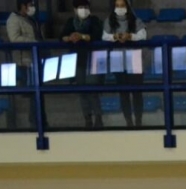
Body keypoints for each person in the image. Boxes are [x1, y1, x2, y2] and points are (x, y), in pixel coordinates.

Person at [60, 0, 104, 129]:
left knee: (92, 91)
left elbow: (97, 35)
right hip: (77, 61)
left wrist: (83, 37)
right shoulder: (70, 22)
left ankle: (98, 117)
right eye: (80, 7)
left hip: (92, 60)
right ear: (75, 9)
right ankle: (87, 118)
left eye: (85, 7)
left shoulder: (95, 20)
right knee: (82, 91)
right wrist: (69, 37)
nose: (83, 9)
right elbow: (62, 36)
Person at [103, 0, 147, 128]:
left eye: (122, 5)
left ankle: (138, 121)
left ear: (127, 6)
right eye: (117, 6)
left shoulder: (135, 20)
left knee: (137, 93)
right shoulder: (109, 21)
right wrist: (115, 37)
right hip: (118, 59)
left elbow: (143, 35)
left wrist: (130, 37)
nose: (120, 8)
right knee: (124, 93)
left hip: (134, 59)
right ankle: (128, 121)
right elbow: (105, 36)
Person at [6, 0, 45, 127]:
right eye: (30, 5)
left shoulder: (31, 19)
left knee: (40, 92)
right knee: (33, 92)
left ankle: (40, 119)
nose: (32, 7)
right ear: (23, 6)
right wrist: (34, 42)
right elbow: (15, 39)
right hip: (25, 61)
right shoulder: (13, 20)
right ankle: (35, 121)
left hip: (36, 59)